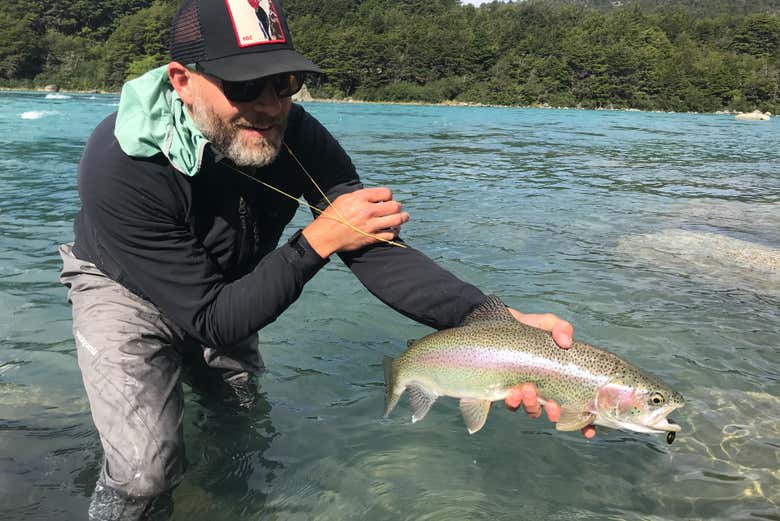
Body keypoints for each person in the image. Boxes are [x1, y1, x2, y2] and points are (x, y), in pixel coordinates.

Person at [59, 0, 592, 519]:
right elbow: (213, 321)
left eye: (283, 83)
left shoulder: (297, 135)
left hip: (236, 284)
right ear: (182, 80)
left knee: (239, 420)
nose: (269, 105)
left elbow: (372, 249)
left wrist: (489, 322)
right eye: (245, 86)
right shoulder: (120, 164)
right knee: (143, 475)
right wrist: (317, 239)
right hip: (125, 290)